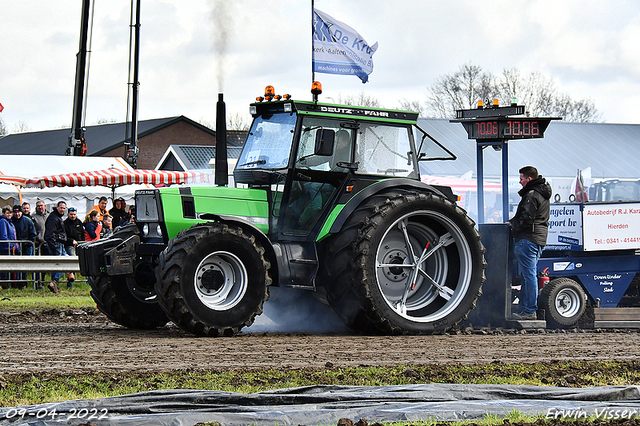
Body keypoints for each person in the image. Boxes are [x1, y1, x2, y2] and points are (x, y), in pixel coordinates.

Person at [507, 166, 552, 320]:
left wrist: (514, 228)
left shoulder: (531, 195)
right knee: (528, 276)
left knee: (529, 276)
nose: (520, 182)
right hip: (538, 239)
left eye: (521, 179)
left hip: (528, 238)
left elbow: (526, 217)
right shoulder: (542, 194)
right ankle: (524, 310)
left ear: (529, 179)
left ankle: (529, 310)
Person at [44, 201, 68, 293]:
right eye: (61, 208)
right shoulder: (54, 218)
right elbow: (49, 234)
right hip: (56, 244)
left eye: (64, 208)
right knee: (64, 264)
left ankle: (54, 284)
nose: (62, 210)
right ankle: (54, 282)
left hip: (58, 243)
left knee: (59, 264)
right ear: (57, 207)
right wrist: (54, 247)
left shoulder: (57, 217)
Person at [12, 205, 36, 289]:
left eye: (18, 212)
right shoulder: (11, 221)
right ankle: (16, 283)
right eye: (15, 212)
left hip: (26, 246)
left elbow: (33, 234)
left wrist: (28, 243)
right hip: (15, 247)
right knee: (15, 266)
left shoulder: (28, 221)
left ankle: (23, 283)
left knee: (25, 266)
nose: (17, 214)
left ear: (21, 212)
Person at [0, 206, 19, 289]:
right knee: (5, 268)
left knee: (8, 268)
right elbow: (3, 235)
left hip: (11, 247)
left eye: (10, 213)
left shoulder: (10, 222)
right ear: (3, 213)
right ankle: (4, 285)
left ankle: (7, 285)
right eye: (7, 213)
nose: (9, 214)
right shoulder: (3, 221)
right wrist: (9, 245)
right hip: (5, 247)